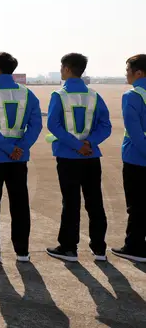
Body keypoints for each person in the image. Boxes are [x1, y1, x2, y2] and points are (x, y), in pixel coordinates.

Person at [0, 52, 42, 263]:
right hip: (18, 159)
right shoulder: (28, 94)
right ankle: (22, 251)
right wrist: (19, 147)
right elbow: (36, 125)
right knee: (20, 205)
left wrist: (6, 147)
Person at [45, 53, 111, 262]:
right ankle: (99, 248)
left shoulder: (59, 96)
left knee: (71, 202)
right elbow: (105, 126)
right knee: (95, 202)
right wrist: (89, 143)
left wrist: (75, 145)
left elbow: (53, 125)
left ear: (65, 69)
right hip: (91, 156)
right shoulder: (94, 96)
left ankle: (69, 247)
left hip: (68, 156)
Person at [111, 54, 146, 263]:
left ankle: (134, 246)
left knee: (137, 204)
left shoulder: (132, 96)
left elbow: (135, 133)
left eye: (128, 71)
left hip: (137, 159)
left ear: (138, 73)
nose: (126, 75)